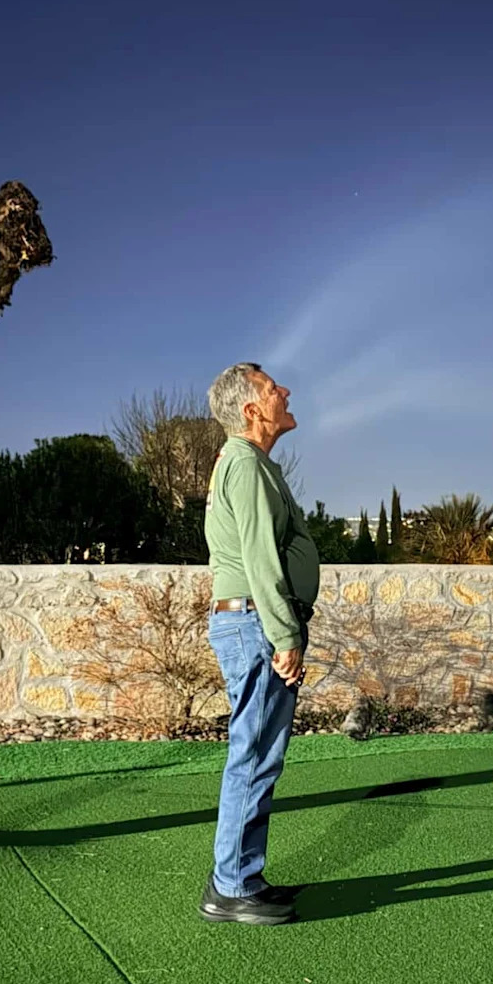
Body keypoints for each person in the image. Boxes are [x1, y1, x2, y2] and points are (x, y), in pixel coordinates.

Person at [198, 363, 320, 926]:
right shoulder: (245, 465)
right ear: (252, 409)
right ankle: (231, 887)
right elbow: (259, 559)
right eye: (274, 389)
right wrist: (285, 634)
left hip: (253, 622)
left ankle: (240, 875)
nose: (286, 391)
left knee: (258, 753)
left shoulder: (252, 465)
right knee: (253, 754)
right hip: (254, 623)